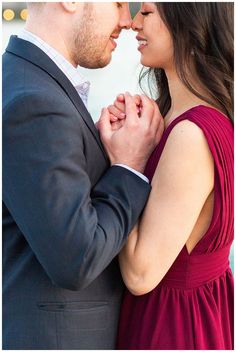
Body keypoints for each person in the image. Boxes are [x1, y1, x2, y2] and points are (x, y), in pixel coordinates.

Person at [2, 2, 164, 349]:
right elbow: (77, 258)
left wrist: (102, 153)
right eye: (119, 3)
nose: (126, 20)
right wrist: (128, 166)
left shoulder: (28, 82)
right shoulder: (34, 101)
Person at [99, 2, 234, 349]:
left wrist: (126, 163)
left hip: (171, 326)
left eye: (146, 13)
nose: (133, 25)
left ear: (188, 21)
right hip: (192, 314)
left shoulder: (192, 134)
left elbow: (140, 274)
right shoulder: (178, 118)